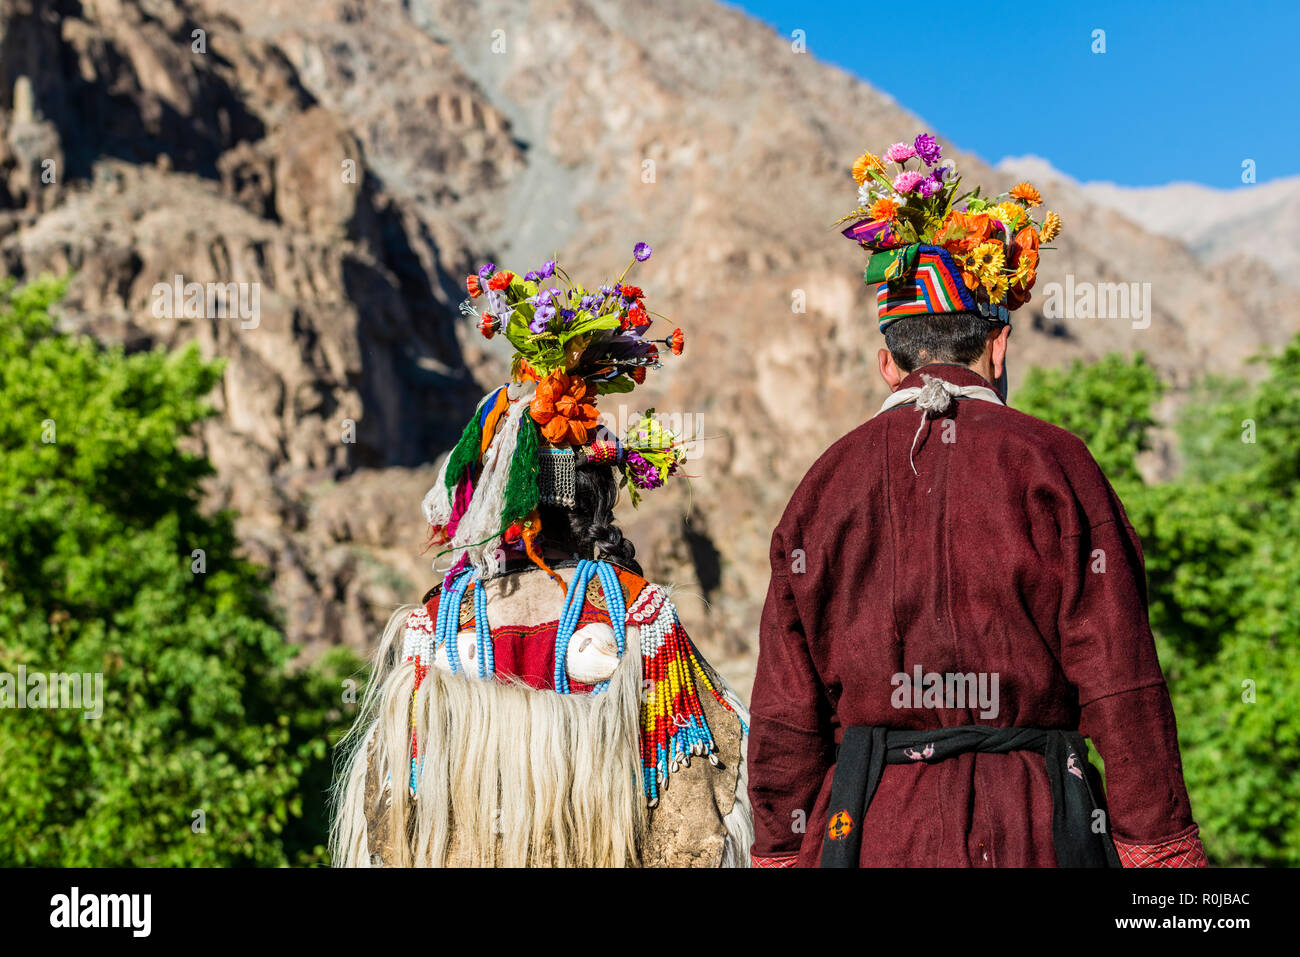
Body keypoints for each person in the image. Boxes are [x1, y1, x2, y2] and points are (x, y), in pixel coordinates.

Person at [746, 135, 1206, 868]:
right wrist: (1161, 855)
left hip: (869, 830)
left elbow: (784, 721)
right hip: (1036, 824)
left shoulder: (821, 489)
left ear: (886, 362)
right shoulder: (1058, 464)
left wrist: (777, 851)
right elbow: (1123, 683)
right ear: (998, 349)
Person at [332, 246, 751, 867]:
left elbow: (388, 823)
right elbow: (701, 805)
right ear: (594, 488)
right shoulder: (639, 620)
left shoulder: (437, 630)